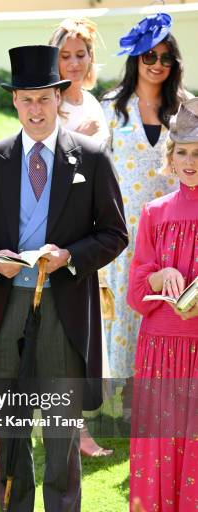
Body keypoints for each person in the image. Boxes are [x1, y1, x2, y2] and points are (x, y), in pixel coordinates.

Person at [0, 45, 128, 512]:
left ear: (60, 98)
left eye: (43, 98)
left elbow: (114, 233)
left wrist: (70, 258)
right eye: (25, 100)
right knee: (10, 437)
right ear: (14, 102)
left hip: (63, 312)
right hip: (8, 310)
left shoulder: (92, 157)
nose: (35, 109)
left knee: (59, 438)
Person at [127, 98, 198, 512]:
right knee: (158, 461)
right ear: (169, 159)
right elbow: (134, 292)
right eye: (184, 153)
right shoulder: (154, 213)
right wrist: (158, 273)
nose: (191, 162)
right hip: (159, 355)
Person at [101, 12, 188, 379]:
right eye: (149, 56)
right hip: (122, 232)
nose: (157, 64)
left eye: (166, 58)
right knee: (123, 309)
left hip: (175, 233)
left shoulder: (186, 108)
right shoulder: (110, 107)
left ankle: (166, 386)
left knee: (168, 307)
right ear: (135, 58)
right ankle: (124, 394)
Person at [50, 17, 113, 458]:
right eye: (65, 55)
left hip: (96, 233)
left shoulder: (92, 101)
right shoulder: (50, 105)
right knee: (63, 334)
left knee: (89, 333)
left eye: (80, 54)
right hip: (63, 235)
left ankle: (76, 423)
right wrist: (75, 139)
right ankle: (71, 431)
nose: (73, 63)